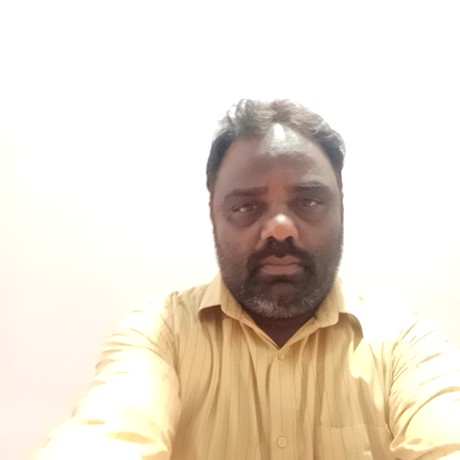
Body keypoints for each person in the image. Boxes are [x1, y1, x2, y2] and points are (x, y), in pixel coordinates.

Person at [36, 99, 460, 459]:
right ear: (213, 214)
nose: (280, 228)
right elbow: (109, 430)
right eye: (246, 207)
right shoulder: (160, 334)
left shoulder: (405, 343)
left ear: (341, 207)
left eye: (308, 201)